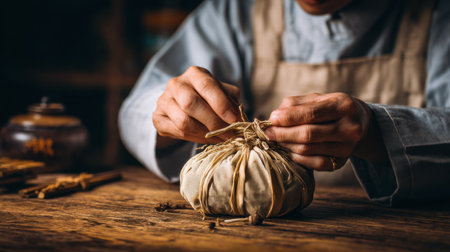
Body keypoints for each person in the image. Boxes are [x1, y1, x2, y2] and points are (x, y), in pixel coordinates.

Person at [119, 0, 450, 206]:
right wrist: (171, 112)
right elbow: (136, 110)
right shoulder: (233, 10)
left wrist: (379, 132)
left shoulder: (437, 13)